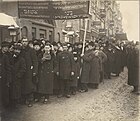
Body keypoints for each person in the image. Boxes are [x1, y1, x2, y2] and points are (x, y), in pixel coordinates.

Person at [21, 37, 38, 107]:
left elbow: (35, 61)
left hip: (29, 71)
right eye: (23, 41)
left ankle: (30, 100)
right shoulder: (21, 50)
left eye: (26, 41)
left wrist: (34, 71)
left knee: (29, 86)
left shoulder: (31, 50)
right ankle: (24, 99)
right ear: (21, 42)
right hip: (22, 71)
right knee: (23, 85)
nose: (24, 43)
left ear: (28, 42)